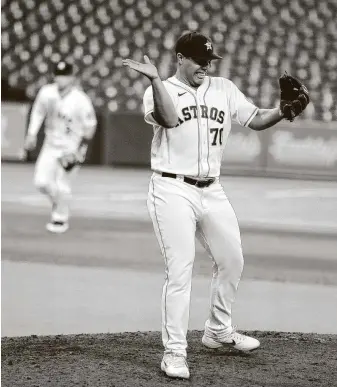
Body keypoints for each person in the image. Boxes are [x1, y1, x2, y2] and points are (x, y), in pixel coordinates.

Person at [122, 31, 308, 379]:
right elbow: (166, 118)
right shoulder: (158, 90)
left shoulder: (223, 88)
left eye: (209, 60)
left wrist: (282, 112)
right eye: (198, 59)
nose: (205, 66)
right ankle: (174, 352)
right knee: (180, 269)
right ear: (180, 58)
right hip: (171, 188)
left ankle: (218, 331)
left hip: (212, 188)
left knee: (232, 259)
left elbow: (255, 119)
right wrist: (155, 79)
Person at [24, 60, 97, 233]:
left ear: (72, 77)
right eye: (58, 75)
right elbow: (37, 112)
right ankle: (59, 204)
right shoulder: (46, 93)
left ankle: (60, 219)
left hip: (70, 147)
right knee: (41, 182)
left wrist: (81, 150)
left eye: (65, 75)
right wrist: (32, 133)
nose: (61, 79)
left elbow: (91, 125)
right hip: (50, 145)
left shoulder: (80, 99)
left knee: (63, 185)